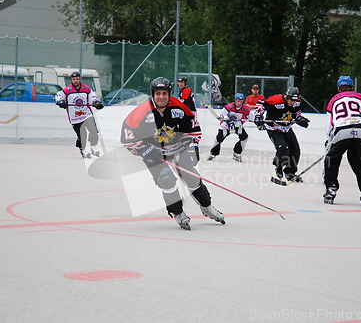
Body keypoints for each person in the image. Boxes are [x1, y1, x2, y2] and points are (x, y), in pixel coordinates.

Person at [121, 77, 224, 230]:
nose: (161, 97)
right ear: (153, 94)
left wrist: (192, 147)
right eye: (157, 94)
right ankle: (177, 213)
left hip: (177, 149)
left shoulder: (179, 107)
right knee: (166, 178)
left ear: (169, 94)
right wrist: (144, 150)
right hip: (153, 153)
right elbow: (127, 137)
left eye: (164, 93)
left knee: (192, 177)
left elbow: (193, 129)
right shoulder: (142, 112)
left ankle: (207, 207)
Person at [323, 75, 361, 206]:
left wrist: (329, 139)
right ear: (352, 87)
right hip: (359, 131)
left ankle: (331, 189)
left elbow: (330, 124)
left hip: (342, 130)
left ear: (338, 88)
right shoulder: (360, 97)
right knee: (360, 162)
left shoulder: (333, 100)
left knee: (332, 159)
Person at [254, 87, 310, 181]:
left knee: (295, 149)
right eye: (291, 100)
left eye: (294, 100)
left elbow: (296, 113)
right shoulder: (276, 99)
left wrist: (300, 119)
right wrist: (259, 115)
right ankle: (278, 166)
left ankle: (290, 172)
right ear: (287, 97)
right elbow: (261, 103)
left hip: (287, 128)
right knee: (283, 147)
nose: (292, 102)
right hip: (274, 128)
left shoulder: (297, 102)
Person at [55, 71, 104, 158]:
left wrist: (96, 103)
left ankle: (93, 147)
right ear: (71, 80)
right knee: (82, 135)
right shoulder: (67, 90)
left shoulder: (86, 89)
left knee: (94, 131)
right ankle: (83, 150)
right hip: (75, 117)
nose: (76, 81)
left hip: (87, 115)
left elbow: (92, 98)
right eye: (74, 79)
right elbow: (58, 96)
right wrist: (60, 102)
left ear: (79, 79)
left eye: (77, 79)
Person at [207, 93, 251, 162]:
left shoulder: (246, 109)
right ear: (235, 100)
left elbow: (251, 116)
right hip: (225, 126)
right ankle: (213, 153)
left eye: (241, 101)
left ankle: (237, 153)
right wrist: (228, 120)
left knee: (244, 137)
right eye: (238, 101)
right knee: (219, 138)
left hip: (237, 125)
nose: (239, 103)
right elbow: (223, 114)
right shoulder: (229, 106)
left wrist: (258, 122)